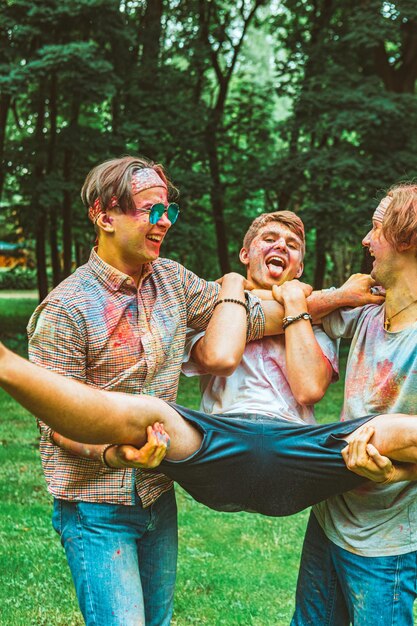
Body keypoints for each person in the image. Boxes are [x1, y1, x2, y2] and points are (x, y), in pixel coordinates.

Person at [27, 155, 268, 626]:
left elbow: (251, 317)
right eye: (149, 210)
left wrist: (334, 301)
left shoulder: (172, 281)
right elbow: (53, 421)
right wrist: (112, 455)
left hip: (158, 494)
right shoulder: (66, 309)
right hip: (96, 508)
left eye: (168, 211)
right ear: (104, 215)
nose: (164, 223)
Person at [292, 185, 417, 626]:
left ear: (407, 239)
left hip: (386, 542)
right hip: (329, 517)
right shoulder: (366, 310)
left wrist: (396, 472)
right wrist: (342, 295)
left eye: (376, 228)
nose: (366, 240)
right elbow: (297, 304)